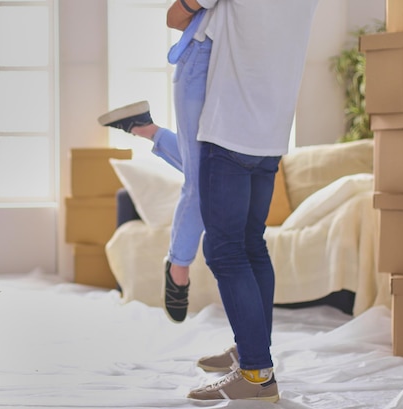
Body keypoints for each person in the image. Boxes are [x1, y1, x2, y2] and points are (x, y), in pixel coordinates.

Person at [185, 0, 320, 402]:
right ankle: (251, 352)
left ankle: (257, 373)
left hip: (229, 130)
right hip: (272, 133)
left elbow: (176, 17)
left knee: (224, 250)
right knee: (250, 243)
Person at [98, 0, 213, 323]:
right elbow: (175, 17)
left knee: (206, 170)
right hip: (201, 65)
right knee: (202, 179)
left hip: (228, 73)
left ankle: (144, 128)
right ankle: (178, 265)